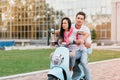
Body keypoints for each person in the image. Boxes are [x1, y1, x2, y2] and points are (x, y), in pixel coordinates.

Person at [71, 11, 92, 80]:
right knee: (68, 59)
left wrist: (83, 41)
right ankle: (76, 74)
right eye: (78, 18)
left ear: (83, 20)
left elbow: (89, 45)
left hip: (82, 50)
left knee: (83, 62)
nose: (79, 20)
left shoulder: (86, 29)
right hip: (72, 50)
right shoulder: (71, 27)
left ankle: (88, 78)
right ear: (75, 18)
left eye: (81, 19)